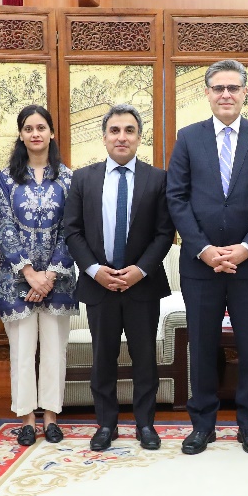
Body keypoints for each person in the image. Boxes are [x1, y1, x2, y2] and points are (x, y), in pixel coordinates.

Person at [165, 59, 248, 456]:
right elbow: (176, 198)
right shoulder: (188, 137)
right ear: (207, 93)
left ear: (245, 92)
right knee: (202, 345)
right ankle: (202, 425)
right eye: (218, 88)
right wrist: (204, 250)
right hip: (201, 264)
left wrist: (246, 248)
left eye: (233, 88)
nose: (226, 94)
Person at [64, 104, 175, 452]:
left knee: (145, 359)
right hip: (100, 285)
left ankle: (145, 424)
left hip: (143, 285)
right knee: (103, 358)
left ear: (139, 138)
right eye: (115, 130)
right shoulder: (83, 179)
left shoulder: (158, 179)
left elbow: (164, 233)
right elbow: (72, 231)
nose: (121, 137)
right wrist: (94, 271)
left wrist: (139, 270)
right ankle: (106, 424)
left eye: (129, 130)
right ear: (104, 137)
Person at [0, 105, 79, 447]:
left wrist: (49, 275)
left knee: (55, 351)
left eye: (41, 127)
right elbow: (3, 226)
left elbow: (71, 229)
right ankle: (27, 418)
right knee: (22, 351)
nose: (35, 133)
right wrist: (29, 273)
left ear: (51, 133)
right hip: (17, 279)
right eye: (28, 128)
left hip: (58, 278)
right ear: (20, 134)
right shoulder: (5, 178)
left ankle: (51, 416)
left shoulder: (69, 178)